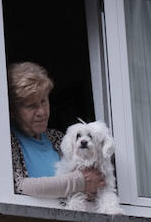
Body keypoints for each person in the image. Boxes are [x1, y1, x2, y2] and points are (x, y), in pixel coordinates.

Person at [8, 61, 105, 200]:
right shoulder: (7, 141)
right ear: (12, 110)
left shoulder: (58, 138)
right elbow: (20, 186)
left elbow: (93, 182)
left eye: (43, 101)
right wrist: (80, 181)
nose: (41, 112)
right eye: (31, 106)